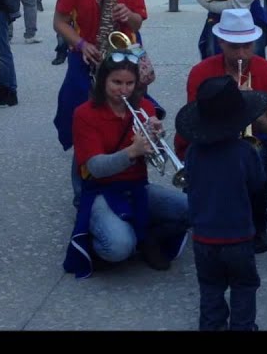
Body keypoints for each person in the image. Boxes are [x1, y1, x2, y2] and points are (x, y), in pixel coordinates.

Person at [62, 55, 190, 277]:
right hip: (101, 190)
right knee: (118, 247)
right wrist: (132, 152)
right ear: (103, 81)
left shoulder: (145, 107)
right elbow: (95, 168)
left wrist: (157, 139)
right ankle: (108, 237)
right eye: (116, 82)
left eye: (129, 83)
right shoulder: (85, 114)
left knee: (195, 209)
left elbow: (156, 158)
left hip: (138, 186)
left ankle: (147, 236)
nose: (123, 89)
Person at [53, 0, 147, 205]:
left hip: (123, 57)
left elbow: (140, 21)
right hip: (88, 57)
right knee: (81, 118)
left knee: (129, 116)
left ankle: (127, 179)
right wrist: (81, 44)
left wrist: (127, 14)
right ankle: (83, 191)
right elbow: (59, 21)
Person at [174, 9, 267, 253]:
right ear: (221, 42)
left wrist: (250, 103)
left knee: (259, 154)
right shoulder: (201, 72)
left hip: (251, 140)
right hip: (210, 137)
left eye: (247, 46)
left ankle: (258, 220)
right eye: (234, 47)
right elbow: (195, 122)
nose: (242, 53)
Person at [175, 76, 267, 331]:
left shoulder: (193, 152)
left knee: (210, 287)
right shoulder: (245, 152)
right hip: (238, 237)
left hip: (204, 238)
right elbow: (258, 184)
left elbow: (190, 183)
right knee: (244, 285)